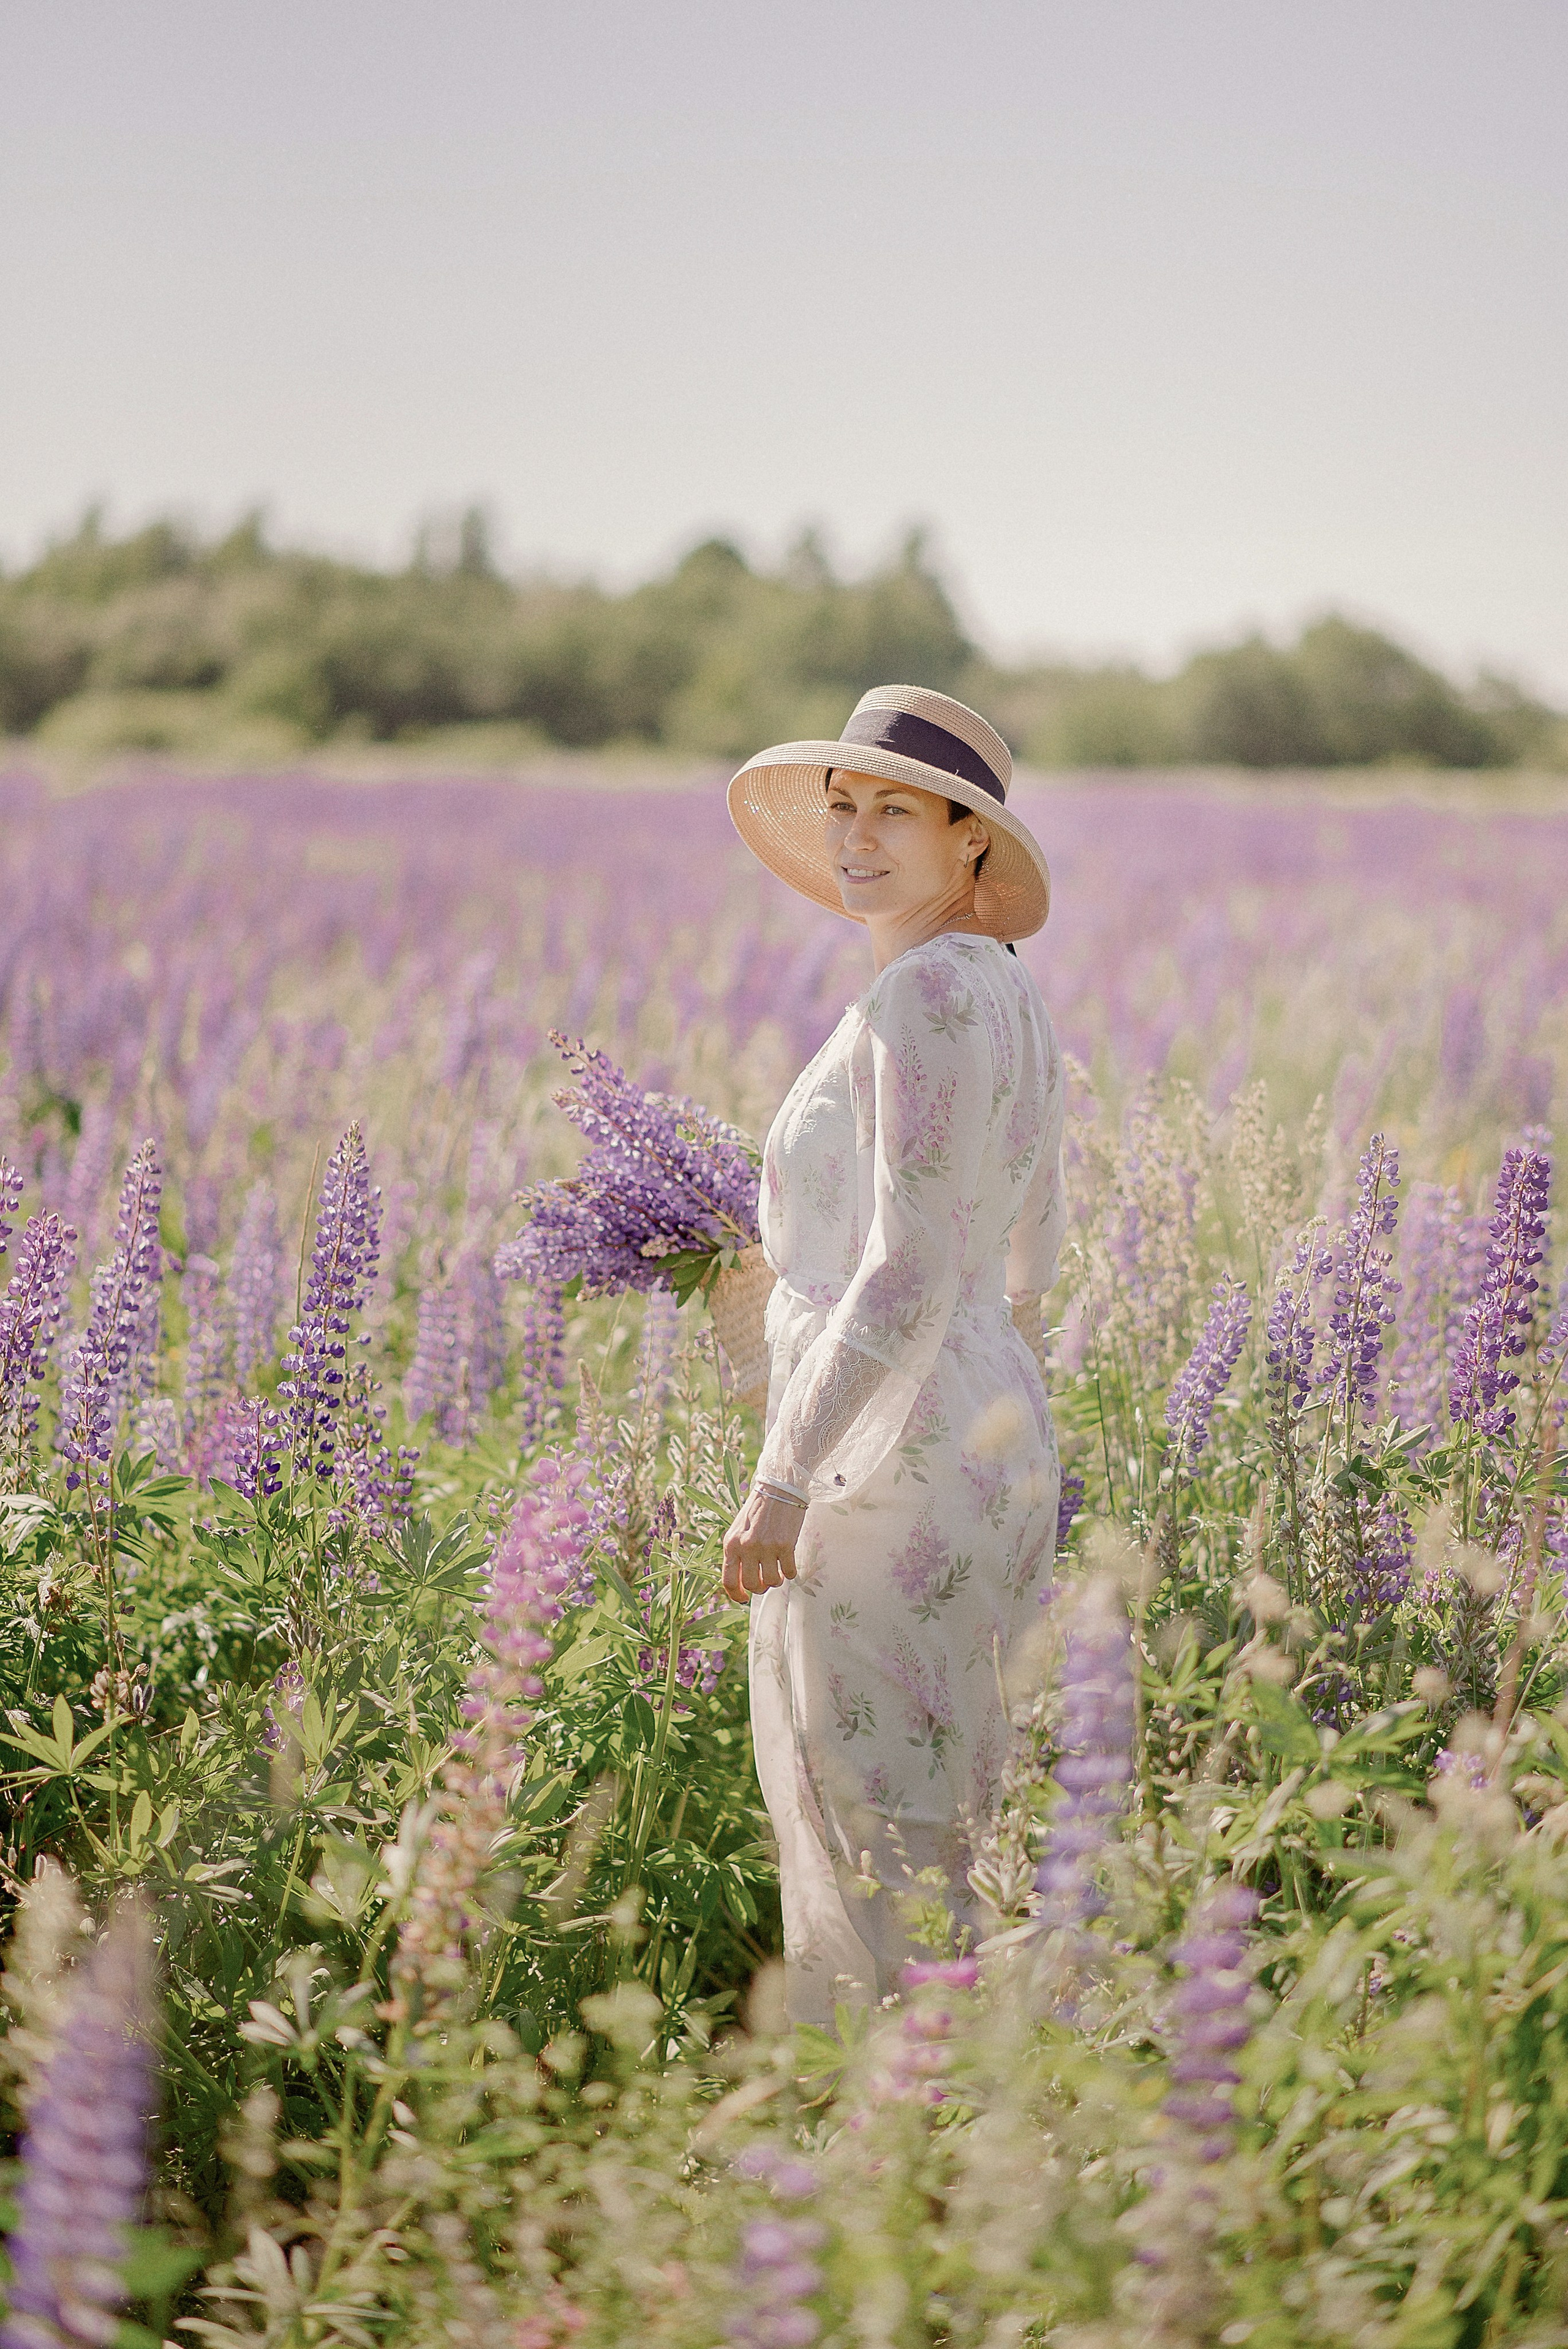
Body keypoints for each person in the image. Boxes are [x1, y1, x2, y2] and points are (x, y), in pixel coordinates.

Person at [721, 684, 1066, 2024]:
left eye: (895, 813)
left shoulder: (918, 998)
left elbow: (904, 1266)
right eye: (844, 808)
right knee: (956, 1806)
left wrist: (788, 1470)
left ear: (968, 840)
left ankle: (890, 2138)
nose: (858, 836)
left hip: (888, 1455)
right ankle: (977, 2125)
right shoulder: (1004, 991)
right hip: (983, 1421)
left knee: (868, 1820)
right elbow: (1026, 1261)